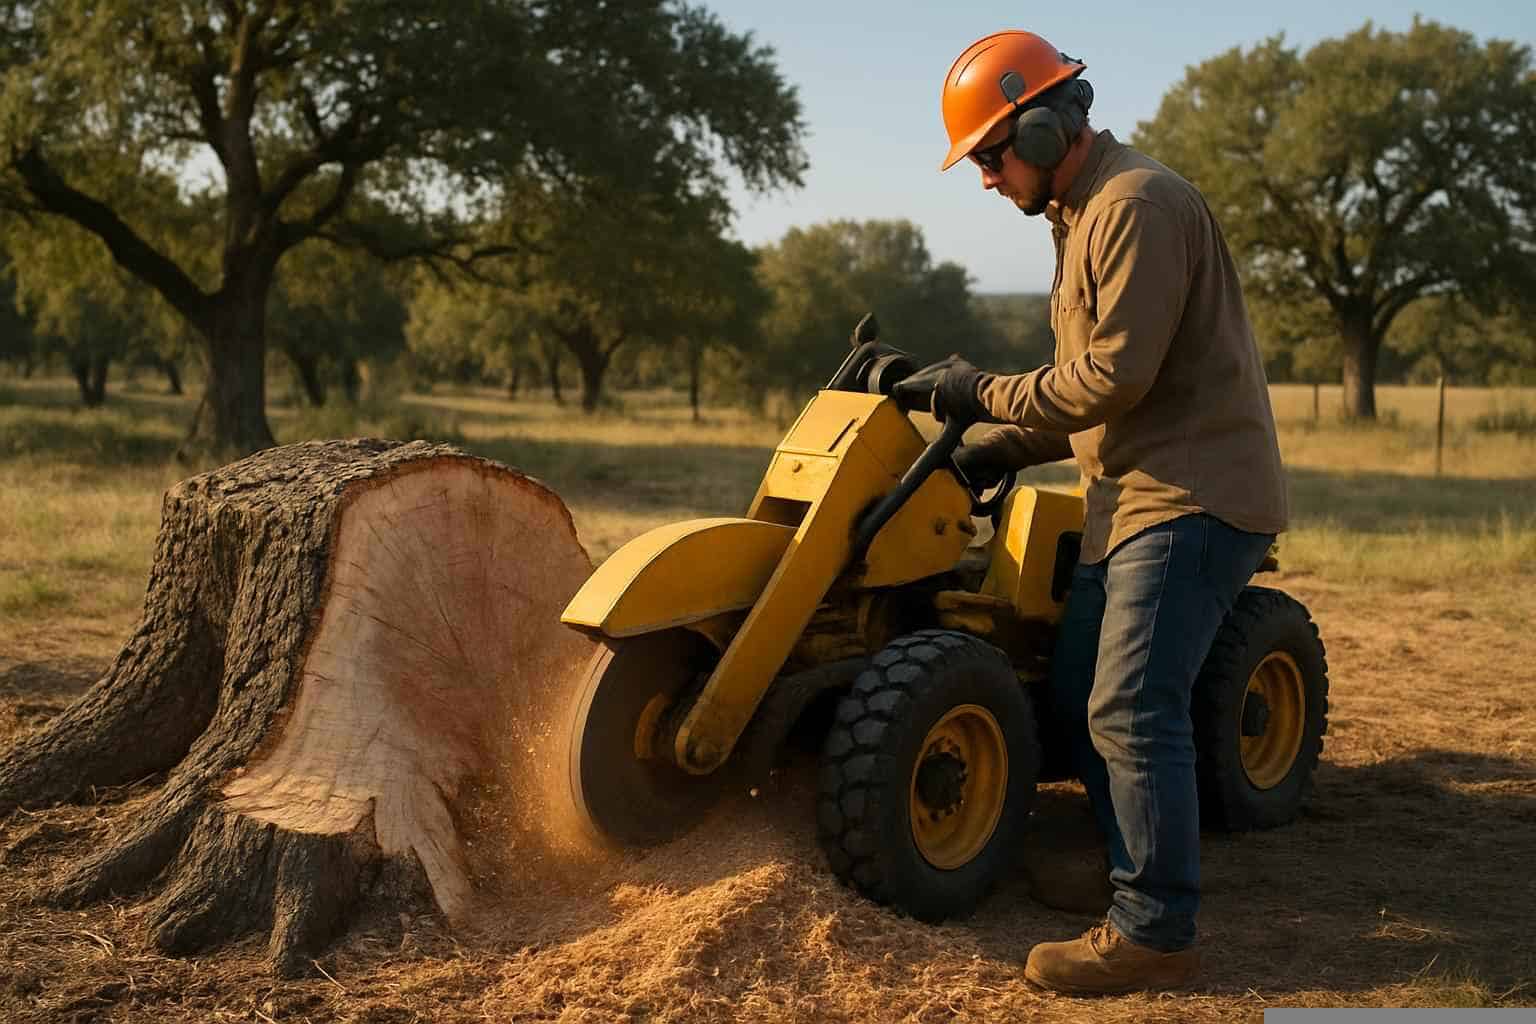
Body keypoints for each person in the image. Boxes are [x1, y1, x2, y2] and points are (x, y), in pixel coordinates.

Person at [904, 30, 1289, 995]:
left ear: (1039, 126)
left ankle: (1157, 928)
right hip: (1131, 494)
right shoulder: (1079, 216)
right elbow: (1098, 398)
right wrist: (995, 448)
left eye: (990, 157)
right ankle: (1125, 868)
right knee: (1079, 686)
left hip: (1192, 499)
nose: (987, 180)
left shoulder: (1136, 206)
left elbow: (1111, 377)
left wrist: (980, 395)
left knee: (1129, 704)